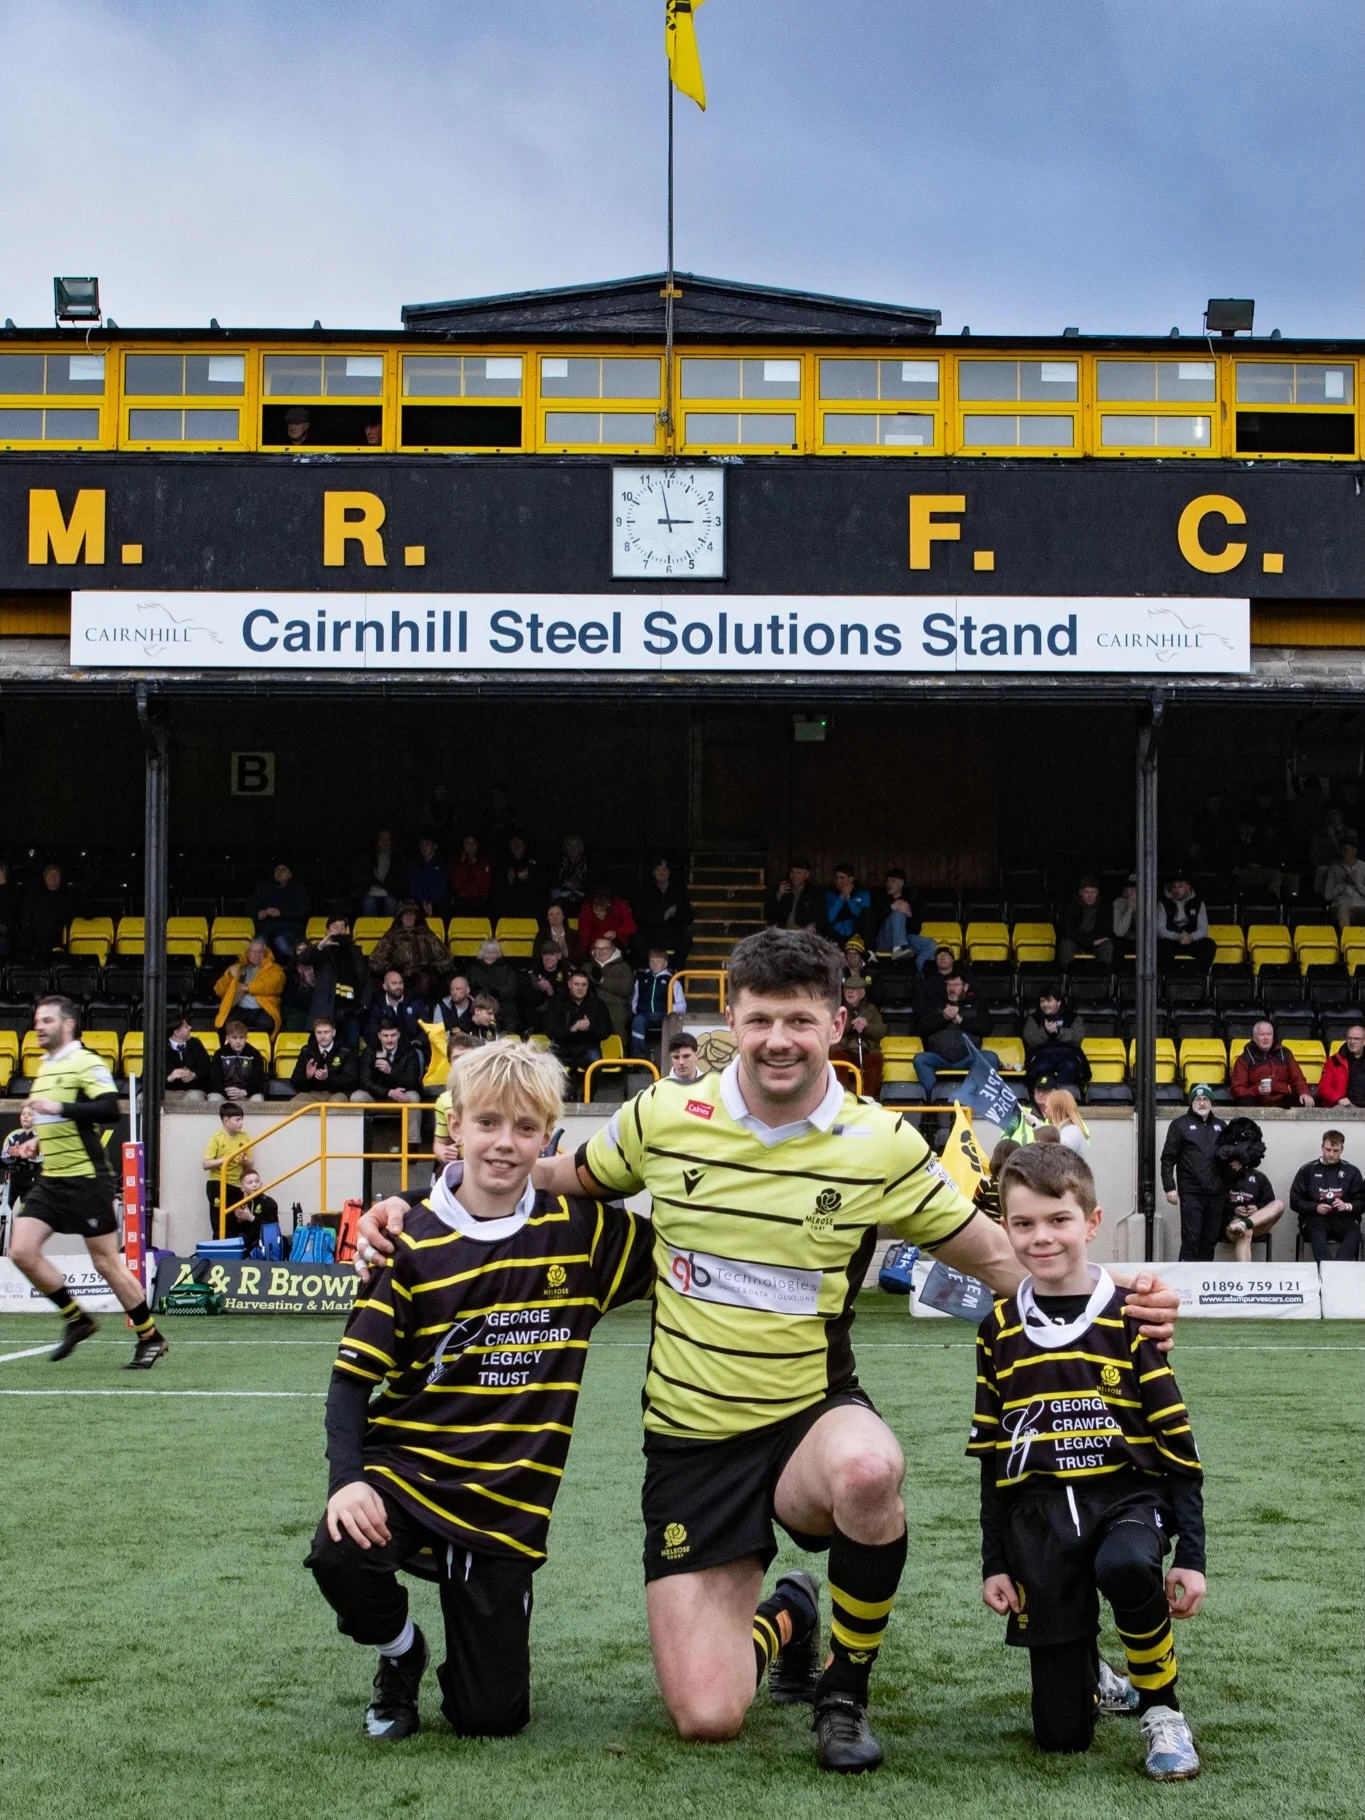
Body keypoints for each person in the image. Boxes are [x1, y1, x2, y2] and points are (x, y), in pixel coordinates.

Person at [356, 927, 1180, 1775]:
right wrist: (424, 1207)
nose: (777, 1040)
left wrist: (1114, 1298)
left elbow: (996, 1255)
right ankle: (789, 1611)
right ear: (732, 1022)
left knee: (868, 1469)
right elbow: (556, 1174)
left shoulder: (880, 1141)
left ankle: (843, 1691)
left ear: (834, 1022)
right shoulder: (664, 1116)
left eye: (797, 1019)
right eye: (758, 1020)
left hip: (807, 1421)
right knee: (707, 1718)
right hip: (689, 1440)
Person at [307, 1041, 655, 1741]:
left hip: (505, 1503)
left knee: (489, 1718)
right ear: (456, 1130)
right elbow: (351, 1383)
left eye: (525, 1128)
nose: (505, 1143)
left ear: (547, 1137)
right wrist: (347, 1481)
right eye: (488, 1124)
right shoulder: (407, 1243)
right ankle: (400, 1654)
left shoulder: (585, 1233)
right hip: (407, 1475)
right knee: (340, 1548)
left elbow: (692, 1240)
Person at [970, 1144, 1204, 1781]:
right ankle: (1098, 1677)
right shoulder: (998, 1330)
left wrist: (1191, 1555)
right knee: (1061, 1737)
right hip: (1039, 1523)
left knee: (1127, 1563)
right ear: (1004, 1226)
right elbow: (993, 1456)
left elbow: (1176, 1441)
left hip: (1126, 1501)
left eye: (1058, 1220)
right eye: (1023, 1223)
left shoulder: (1131, 1317)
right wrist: (995, 1560)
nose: (1041, 1237)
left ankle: (1162, 1709)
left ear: (1092, 1223)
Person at [5, 997, 168, 1369]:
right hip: (52, 1180)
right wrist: (37, 1141)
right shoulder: (44, 1067)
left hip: (87, 1179)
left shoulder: (87, 1062)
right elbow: (55, 1121)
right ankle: (77, 1319)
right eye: (36, 1020)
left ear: (67, 1025)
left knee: (106, 1263)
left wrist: (58, 1108)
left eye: (46, 1020)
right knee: (21, 1251)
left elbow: (110, 1110)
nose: (38, 1026)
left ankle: (150, 1335)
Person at [1160, 1084, 1228, 1261]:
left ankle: (1203, 1284)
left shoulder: (1221, 1126)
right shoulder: (1179, 1125)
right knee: (1191, 1240)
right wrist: (1169, 1187)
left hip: (1217, 1193)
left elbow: (1229, 1156)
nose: (1202, 1103)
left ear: (1211, 1102)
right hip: (1191, 1192)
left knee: (1210, 1241)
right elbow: (1168, 1158)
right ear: (1191, 1102)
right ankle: (1185, 1283)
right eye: (1198, 1099)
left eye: (1205, 1099)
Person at [915, 970, 995, 1097]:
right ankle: (934, 1099)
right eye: (949, 985)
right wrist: (943, 1018)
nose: (952, 988)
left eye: (956, 985)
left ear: (966, 987)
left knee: (991, 1057)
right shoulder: (936, 1005)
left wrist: (961, 1020)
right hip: (939, 1058)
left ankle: (970, 1095)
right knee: (920, 1059)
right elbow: (921, 1029)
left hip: (968, 1058)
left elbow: (987, 1028)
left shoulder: (976, 1005)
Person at [1215, 1117, 1284, 1261]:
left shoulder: (1259, 1178)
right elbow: (1215, 1206)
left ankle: (1245, 1223)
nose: (1236, 1165)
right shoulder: (1222, 1177)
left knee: (1279, 1205)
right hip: (1232, 1223)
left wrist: (1257, 1207)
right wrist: (1233, 1210)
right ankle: (1245, 1277)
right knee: (1245, 1233)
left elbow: (1269, 1203)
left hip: (1255, 1222)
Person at [1289, 1129, 1363, 1262]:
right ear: (1322, 1147)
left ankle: (1340, 1267)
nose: (1331, 1154)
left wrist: (1347, 1206)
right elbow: (1294, 1201)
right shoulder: (1307, 1170)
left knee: (1354, 1230)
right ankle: (1326, 1267)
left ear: (1342, 1149)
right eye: (1328, 1149)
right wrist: (1315, 1207)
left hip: (1343, 1218)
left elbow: (1362, 1202)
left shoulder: (1352, 1171)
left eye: (1335, 1151)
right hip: (1314, 1218)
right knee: (1317, 1230)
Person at [368, 901, 452, 998]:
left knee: (424, 980)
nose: (409, 917)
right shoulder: (391, 936)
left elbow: (446, 958)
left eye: (412, 914)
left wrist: (433, 968)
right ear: (400, 917)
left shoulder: (426, 935)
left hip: (423, 977)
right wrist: (391, 968)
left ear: (416, 917)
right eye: (406, 914)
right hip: (399, 974)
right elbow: (375, 960)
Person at [543, 968, 612, 1082]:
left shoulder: (598, 1005)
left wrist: (591, 1027)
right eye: (576, 984)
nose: (580, 988)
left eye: (584, 985)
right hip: (562, 1048)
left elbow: (607, 1031)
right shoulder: (557, 1003)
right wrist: (572, 1028)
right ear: (569, 984)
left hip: (588, 1048)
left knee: (595, 1061)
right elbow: (550, 1030)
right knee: (546, 1061)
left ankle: (589, 1097)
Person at [1230, 1020, 1314, 1108]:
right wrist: (1256, 1090)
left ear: (1273, 1036)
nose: (1266, 1038)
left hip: (1283, 1100)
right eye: (1262, 1034)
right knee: (1244, 1101)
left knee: (1303, 1101)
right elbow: (1236, 1089)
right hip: (1257, 1100)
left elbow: (1297, 1079)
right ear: (1254, 1038)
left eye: (1269, 1034)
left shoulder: (1285, 1054)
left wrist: (1304, 1093)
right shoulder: (1244, 1058)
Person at [864, 869, 936, 971]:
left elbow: (916, 930)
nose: (889, 884)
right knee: (898, 913)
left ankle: (920, 975)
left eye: (893, 881)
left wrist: (909, 915)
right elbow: (873, 922)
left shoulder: (909, 902)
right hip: (884, 941)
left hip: (905, 940)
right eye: (888, 881)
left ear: (901, 883)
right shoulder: (880, 899)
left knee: (931, 944)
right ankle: (898, 948)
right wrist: (891, 907)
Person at [214, 939, 285, 1036]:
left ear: (265, 953)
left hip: (263, 1008)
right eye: (253, 951)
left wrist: (248, 988)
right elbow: (219, 990)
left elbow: (275, 985)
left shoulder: (274, 969)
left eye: (260, 952)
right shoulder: (239, 967)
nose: (256, 955)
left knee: (266, 1024)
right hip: (240, 1008)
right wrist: (229, 975)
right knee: (227, 1024)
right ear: (248, 953)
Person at [203, 1103, 255, 1233]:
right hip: (218, 1183)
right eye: (237, 1119)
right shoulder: (217, 1138)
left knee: (237, 1222)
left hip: (237, 1185)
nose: (241, 1123)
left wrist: (245, 1161)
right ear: (225, 1120)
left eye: (242, 1119)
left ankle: (236, 1250)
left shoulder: (244, 1136)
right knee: (219, 1223)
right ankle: (219, 1250)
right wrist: (224, 1160)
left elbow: (251, 1163)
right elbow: (205, 1164)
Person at [1022, 991, 1087, 1095]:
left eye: (1049, 1001)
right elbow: (1030, 1040)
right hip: (1041, 1054)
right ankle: (1047, 1099)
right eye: (1042, 1001)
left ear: (1059, 1002)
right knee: (1042, 1068)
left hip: (1068, 1054)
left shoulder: (1073, 1017)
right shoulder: (1034, 1018)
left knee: (1070, 1066)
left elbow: (1077, 1037)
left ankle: (1062, 1100)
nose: (1045, 1004)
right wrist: (1046, 1032)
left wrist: (1058, 1032)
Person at [634, 858, 694, 969]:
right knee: (638, 941)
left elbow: (689, 916)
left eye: (665, 869)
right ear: (653, 872)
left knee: (686, 940)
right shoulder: (645, 891)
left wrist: (675, 914)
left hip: (672, 931)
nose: (662, 873)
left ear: (669, 872)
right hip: (652, 932)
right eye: (658, 869)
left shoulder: (678, 890)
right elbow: (640, 916)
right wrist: (663, 916)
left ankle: (675, 971)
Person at [832, 975, 886, 1098]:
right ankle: (841, 1096)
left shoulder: (871, 1010)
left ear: (862, 993)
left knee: (875, 1059)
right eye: (847, 989)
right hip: (843, 1048)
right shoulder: (838, 1009)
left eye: (854, 989)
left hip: (866, 1049)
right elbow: (832, 1030)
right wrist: (852, 1024)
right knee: (837, 1057)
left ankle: (868, 1098)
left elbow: (881, 1031)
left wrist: (866, 1027)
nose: (850, 991)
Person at [629, 948, 686, 1056]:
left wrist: (668, 1008)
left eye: (658, 961)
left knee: (671, 1023)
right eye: (652, 961)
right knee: (637, 1021)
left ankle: (670, 1058)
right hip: (644, 1015)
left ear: (665, 964)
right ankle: (639, 1059)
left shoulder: (673, 980)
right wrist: (638, 1009)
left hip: (664, 1015)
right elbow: (634, 1000)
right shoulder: (641, 979)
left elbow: (681, 1005)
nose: (655, 964)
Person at [248, 861, 311, 958]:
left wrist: (281, 913)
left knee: (281, 943)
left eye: (283, 869)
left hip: (289, 930)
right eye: (278, 869)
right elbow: (251, 907)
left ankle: (299, 963)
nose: (280, 872)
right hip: (266, 929)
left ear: (290, 873)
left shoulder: (298, 889)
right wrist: (258, 913)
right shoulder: (264, 887)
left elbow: (303, 912)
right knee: (259, 944)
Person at [354, 1020, 424, 1104]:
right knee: (357, 1097)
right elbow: (365, 1082)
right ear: (379, 1036)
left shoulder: (409, 1052)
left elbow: (411, 1082)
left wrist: (391, 1071)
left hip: (401, 1095)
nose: (389, 1040)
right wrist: (388, 1092)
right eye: (385, 1036)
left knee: (413, 1097)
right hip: (376, 1095)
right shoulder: (370, 1051)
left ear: (399, 1034)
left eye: (393, 1035)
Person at [291, 1018, 358, 1101]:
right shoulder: (306, 1051)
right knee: (295, 1103)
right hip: (312, 1093)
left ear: (333, 1033)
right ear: (314, 1033)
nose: (322, 1036)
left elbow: (351, 1081)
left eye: (326, 1032)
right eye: (319, 1032)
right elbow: (295, 1082)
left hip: (337, 1093)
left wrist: (328, 1077)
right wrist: (307, 1076)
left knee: (336, 1103)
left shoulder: (346, 1051)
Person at [1057, 877, 1116, 970]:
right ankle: (1068, 976)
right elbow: (1068, 932)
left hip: (1096, 945)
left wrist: (1094, 942)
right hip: (1077, 943)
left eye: (1093, 892)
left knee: (1107, 945)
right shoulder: (1070, 906)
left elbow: (1106, 931)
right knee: (1066, 944)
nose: (1090, 896)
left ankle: (1103, 977)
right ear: (1080, 893)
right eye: (1087, 892)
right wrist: (1091, 942)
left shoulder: (1104, 907)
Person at [363, 970, 429, 1052]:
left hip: (412, 1048)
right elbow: (371, 1033)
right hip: (384, 1049)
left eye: (400, 983)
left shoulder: (415, 1002)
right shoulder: (376, 1006)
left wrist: (419, 1041)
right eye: (394, 983)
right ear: (385, 986)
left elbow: (427, 1027)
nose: (398, 986)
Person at [465, 940, 523, 1034]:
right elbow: (467, 988)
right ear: (482, 952)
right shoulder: (473, 969)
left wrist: (496, 992)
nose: (490, 955)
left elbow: (512, 989)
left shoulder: (506, 968)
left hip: (502, 1002)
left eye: (493, 952)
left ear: (498, 953)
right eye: (487, 952)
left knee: (510, 1011)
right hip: (480, 1003)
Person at [19, 861, 73, 959]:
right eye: (50, 874)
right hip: (38, 947)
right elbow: (26, 921)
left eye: (55, 875)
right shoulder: (34, 896)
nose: (53, 878)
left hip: (62, 948)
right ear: (44, 878)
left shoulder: (67, 898)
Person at [206, 1021, 268, 1104]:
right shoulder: (219, 1054)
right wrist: (227, 1092)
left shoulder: (254, 1054)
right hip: (224, 1094)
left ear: (246, 1038)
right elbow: (214, 1080)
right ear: (227, 1038)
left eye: (241, 1037)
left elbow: (259, 1081)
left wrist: (245, 1092)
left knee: (258, 1099)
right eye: (234, 1038)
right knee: (214, 1098)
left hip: (246, 1094)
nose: (238, 1041)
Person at [588, 934, 635, 1041]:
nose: (600, 951)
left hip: (616, 1006)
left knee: (616, 1020)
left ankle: (620, 1054)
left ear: (613, 950)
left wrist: (602, 981)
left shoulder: (623, 967)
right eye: (597, 948)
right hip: (591, 1004)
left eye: (604, 948)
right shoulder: (587, 966)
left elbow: (626, 988)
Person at [224, 1167, 278, 1255]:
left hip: (263, 1244)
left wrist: (251, 1218)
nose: (254, 1185)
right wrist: (239, 1221)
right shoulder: (237, 1204)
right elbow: (230, 1230)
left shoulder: (268, 1202)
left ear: (261, 1184)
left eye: (257, 1181)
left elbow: (271, 1228)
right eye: (250, 1182)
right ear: (242, 1187)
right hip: (243, 1243)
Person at [577, 883, 638, 958]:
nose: (599, 916)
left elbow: (632, 927)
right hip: (595, 943)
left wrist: (616, 932)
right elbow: (584, 934)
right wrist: (586, 951)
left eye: (602, 911)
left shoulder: (619, 904)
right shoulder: (587, 908)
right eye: (596, 912)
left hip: (616, 942)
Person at [1, 1101, 42, 1214]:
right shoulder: (14, 1137)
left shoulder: (38, 1138)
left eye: (30, 1114)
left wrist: (27, 1155)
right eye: (23, 1114)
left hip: (31, 1183)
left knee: (27, 1214)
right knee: (3, 1211)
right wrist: (12, 1155)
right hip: (13, 1182)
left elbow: (42, 1158)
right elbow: (4, 1155)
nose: (26, 1117)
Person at [1318, 1022, 1365, 1108]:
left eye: (1356, 1039)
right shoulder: (1334, 1060)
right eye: (1349, 1038)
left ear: (1364, 1041)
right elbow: (1323, 1087)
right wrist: (1338, 1099)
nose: (1352, 1042)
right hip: (1346, 1106)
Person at [1322, 836, 1365, 929]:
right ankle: (1347, 939)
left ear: (1354, 851)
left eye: (1346, 850)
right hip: (1343, 904)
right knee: (1342, 909)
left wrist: (1356, 883)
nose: (1343, 853)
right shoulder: (1334, 868)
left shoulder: (1363, 867)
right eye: (1341, 850)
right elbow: (1327, 895)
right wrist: (1343, 884)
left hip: (1361, 905)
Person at [165, 1014, 211, 1100]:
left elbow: (207, 1068)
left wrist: (194, 1075)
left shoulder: (196, 1044)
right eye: (186, 1026)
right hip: (166, 1091)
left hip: (192, 1091)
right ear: (177, 1032)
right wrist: (169, 1077)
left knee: (195, 1096)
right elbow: (147, 1077)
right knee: (144, 1097)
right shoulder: (159, 1047)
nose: (190, 1028)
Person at [765, 858, 820, 931]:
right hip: (782, 934)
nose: (794, 876)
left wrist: (812, 926)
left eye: (799, 873)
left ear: (807, 875)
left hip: (802, 936)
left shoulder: (814, 892)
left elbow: (821, 918)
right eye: (792, 872)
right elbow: (769, 914)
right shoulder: (783, 888)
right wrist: (779, 895)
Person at [822, 865, 870, 946]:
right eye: (836, 878)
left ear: (851, 879)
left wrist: (848, 899)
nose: (838, 881)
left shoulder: (863, 893)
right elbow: (828, 918)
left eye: (842, 878)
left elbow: (863, 916)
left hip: (857, 935)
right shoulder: (829, 894)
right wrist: (841, 898)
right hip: (835, 935)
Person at [1036, 1084, 1090, 1154]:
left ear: (1055, 1110)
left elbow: (1058, 1153)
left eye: (1046, 1107)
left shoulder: (1072, 1130)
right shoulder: (1065, 1129)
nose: (1044, 1111)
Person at [357, 829, 399, 917]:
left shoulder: (398, 858)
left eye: (388, 839)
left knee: (391, 902)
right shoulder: (368, 857)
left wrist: (387, 886)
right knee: (369, 903)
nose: (385, 842)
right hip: (371, 892)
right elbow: (362, 876)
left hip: (390, 893)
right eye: (382, 838)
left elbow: (400, 880)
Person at [448, 835, 492, 914]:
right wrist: (462, 865)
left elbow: (484, 885)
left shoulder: (484, 863)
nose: (470, 846)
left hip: (479, 902)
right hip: (462, 901)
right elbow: (456, 886)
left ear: (477, 845)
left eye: (473, 843)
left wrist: (475, 865)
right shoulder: (457, 864)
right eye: (467, 843)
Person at [408, 836, 449, 920]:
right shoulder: (416, 865)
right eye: (422, 845)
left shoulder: (442, 864)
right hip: (421, 901)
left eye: (427, 844)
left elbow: (441, 886)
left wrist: (431, 902)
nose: (424, 847)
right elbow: (414, 886)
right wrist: (423, 901)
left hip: (437, 901)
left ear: (435, 846)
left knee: (444, 907)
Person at [434, 972, 476, 1040]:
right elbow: (436, 1035)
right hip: (448, 1048)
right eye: (452, 989)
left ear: (468, 990)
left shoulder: (476, 1007)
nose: (454, 992)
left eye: (458, 989)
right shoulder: (441, 1007)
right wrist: (451, 1033)